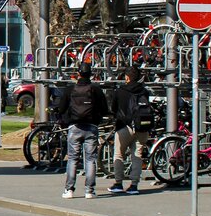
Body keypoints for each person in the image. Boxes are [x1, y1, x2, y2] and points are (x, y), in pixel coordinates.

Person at [56, 62, 109, 199]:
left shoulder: (70, 89)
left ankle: (69, 190)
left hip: (75, 127)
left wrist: (65, 118)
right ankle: (89, 190)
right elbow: (104, 109)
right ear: (90, 74)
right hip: (92, 127)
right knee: (90, 159)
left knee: (73, 159)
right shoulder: (95, 90)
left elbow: (61, 108)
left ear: (78, 73)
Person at [108, 66, 153, 195]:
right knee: (137, 155)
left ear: (127, 77)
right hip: (141, 126)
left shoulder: (119, 91)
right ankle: (134, 185)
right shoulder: (144, 91)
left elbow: (114, 108)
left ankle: (118, 183)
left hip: (124, 126)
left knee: (119, 154)